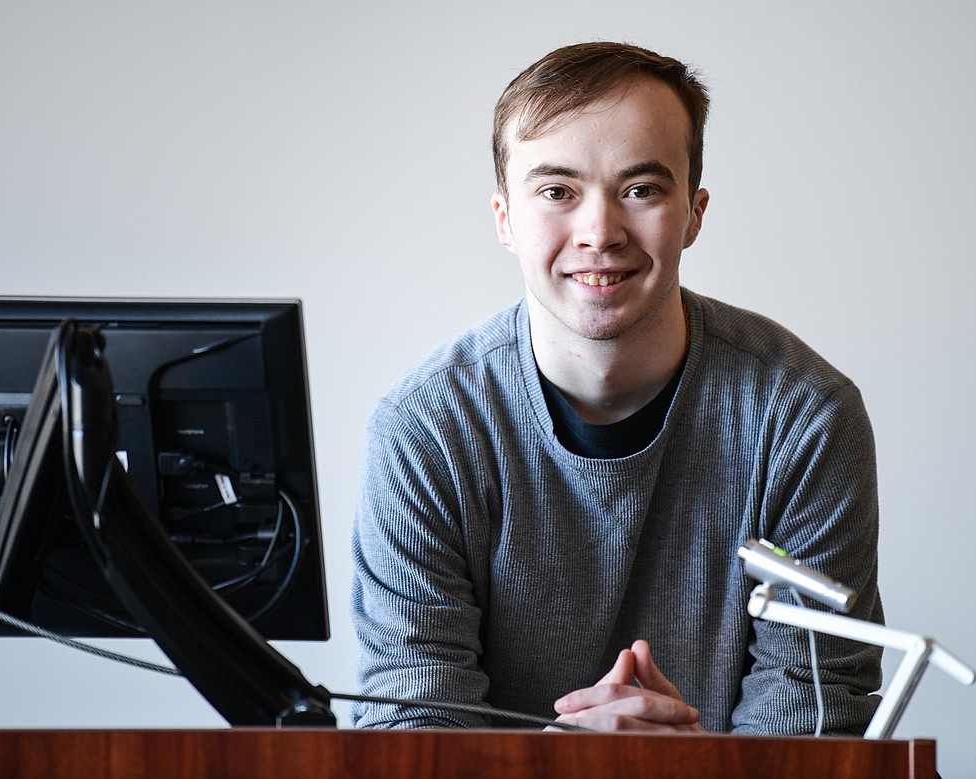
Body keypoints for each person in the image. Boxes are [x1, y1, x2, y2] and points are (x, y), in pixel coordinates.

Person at [350, 41, 882, 734]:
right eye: (557, 191)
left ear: (693, 212)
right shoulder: (425, 430)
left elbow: (819, 719)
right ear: (505, 218)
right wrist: (560, 764)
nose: (599, 231)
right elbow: (411, 729)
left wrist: (692, 770)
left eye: (641, 189)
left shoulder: (803, 419)